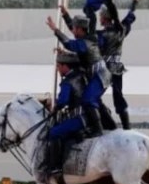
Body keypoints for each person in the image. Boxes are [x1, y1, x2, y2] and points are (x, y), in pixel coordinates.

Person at [45, 8, 109, 136]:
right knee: (94, 100)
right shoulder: (85, 40)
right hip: (99, 75)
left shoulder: (85, 42)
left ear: (80, 29)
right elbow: (74, 47)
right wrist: (65, 15)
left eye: (74, 29)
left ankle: (98, 130)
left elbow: (69, 43)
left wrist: (55, 30)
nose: (72, 31)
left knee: (88, 99)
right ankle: (108, 124)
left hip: (100, 76)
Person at [44, 52, 89, 182]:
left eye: (58, 66)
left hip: (78, 118)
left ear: (65, 66)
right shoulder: (82, 76)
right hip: (88, 116)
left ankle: (56, 167)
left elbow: (63, 101)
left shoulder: (68, 81)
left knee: (53, 132)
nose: (58, 69)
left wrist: (54, 107)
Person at [97, 0, 138, 130]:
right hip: (116, 67)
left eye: (100, 16)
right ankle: (127, 127)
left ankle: (107, 123)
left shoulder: (101, 35)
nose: (99, 18)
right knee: (119, 98)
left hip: (103, 69)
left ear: (104, 18)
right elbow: (130, 17)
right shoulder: (121, 30)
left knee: (93, 96)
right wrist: (135, 1)